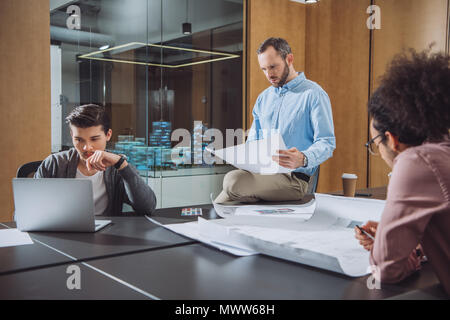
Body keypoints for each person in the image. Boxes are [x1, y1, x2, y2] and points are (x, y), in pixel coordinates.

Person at [355, 49, 450, 295]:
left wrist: (387, 247)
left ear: (391, 139)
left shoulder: (417, 161)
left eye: (373, 142)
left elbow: (385, 270)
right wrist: (412, 245)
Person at [215, 37, 336, 203]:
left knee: (233, 181)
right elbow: (253, 142)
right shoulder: (263, 98)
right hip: (261, 175)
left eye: (273, 67)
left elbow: (327, 143)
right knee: (219, 207)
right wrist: (242, 156)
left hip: (293, 180)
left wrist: (303, 158)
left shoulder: (314, 94)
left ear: (289, 59)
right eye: (264, 69)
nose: (269, 74)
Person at [35, 104, 157, 216]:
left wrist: (122, 165)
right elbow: (27, 211)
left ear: (108, 135)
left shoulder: (116, 167)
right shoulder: (54, 164)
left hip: (107, 235)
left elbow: (147, 208)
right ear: (72, 136)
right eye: (79, 139)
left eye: (94, 139)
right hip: (62, 234)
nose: (86, 147)